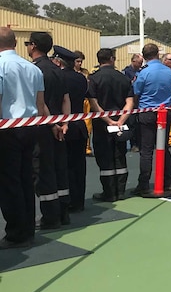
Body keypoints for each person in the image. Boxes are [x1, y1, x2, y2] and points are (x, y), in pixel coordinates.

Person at [0, 28, 46, 248]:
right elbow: (39, 103)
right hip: (30, 126)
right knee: (26, 178)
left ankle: (16, 232)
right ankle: (27, 228)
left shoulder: (1, 65)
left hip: (7, 128)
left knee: (9, 182)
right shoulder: (32, 68)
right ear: (16, 43)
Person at [27, 31, 71, 228]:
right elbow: (65, 99)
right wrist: (65, 124)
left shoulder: (33, 70)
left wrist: (52, 124)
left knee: (43, 173)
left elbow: (40, 103)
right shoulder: (58, 70)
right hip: (60, 126)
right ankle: (63, 213)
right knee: (60, 169)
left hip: (44, 127)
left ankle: (50, 217)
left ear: (33, 45)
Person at [87, 48, 135, 201]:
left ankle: (109, 192)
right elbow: (130, 103)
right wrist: (120, 120)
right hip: (120, 123)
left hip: (102, 124)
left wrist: (108, 120)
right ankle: (120, 191)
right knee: (120, 155)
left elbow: (94, 103)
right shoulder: (123, 78)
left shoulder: (93, 79)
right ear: (112, 59)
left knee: (105, 157)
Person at [134, 43, 171, 194]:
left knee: (146, 150)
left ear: (144, 57)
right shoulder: (169, 72)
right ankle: (168, 182)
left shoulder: (143, 73)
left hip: (147, 112)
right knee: (164, 148)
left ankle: (144, 184)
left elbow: (136, 91)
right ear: (158, 54)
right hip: (165, 112)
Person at [53, 46, 89, 212]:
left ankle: (66, 202)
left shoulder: (58, 78)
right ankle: (78, 201)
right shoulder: (81, 78)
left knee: (64, 167)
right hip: (79, 125)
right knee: (79, 166)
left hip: (64, 125)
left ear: (58, 61)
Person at [123, 53, 144, 152]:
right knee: (131, 123)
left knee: (140, 124)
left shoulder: (142, 71)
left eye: (141, 63)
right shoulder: (126, 72)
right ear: (133, 61)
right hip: (131, 101)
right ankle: (133, 144)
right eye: (139, 63)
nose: (141, 64)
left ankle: (140, 143)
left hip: (140, 101)